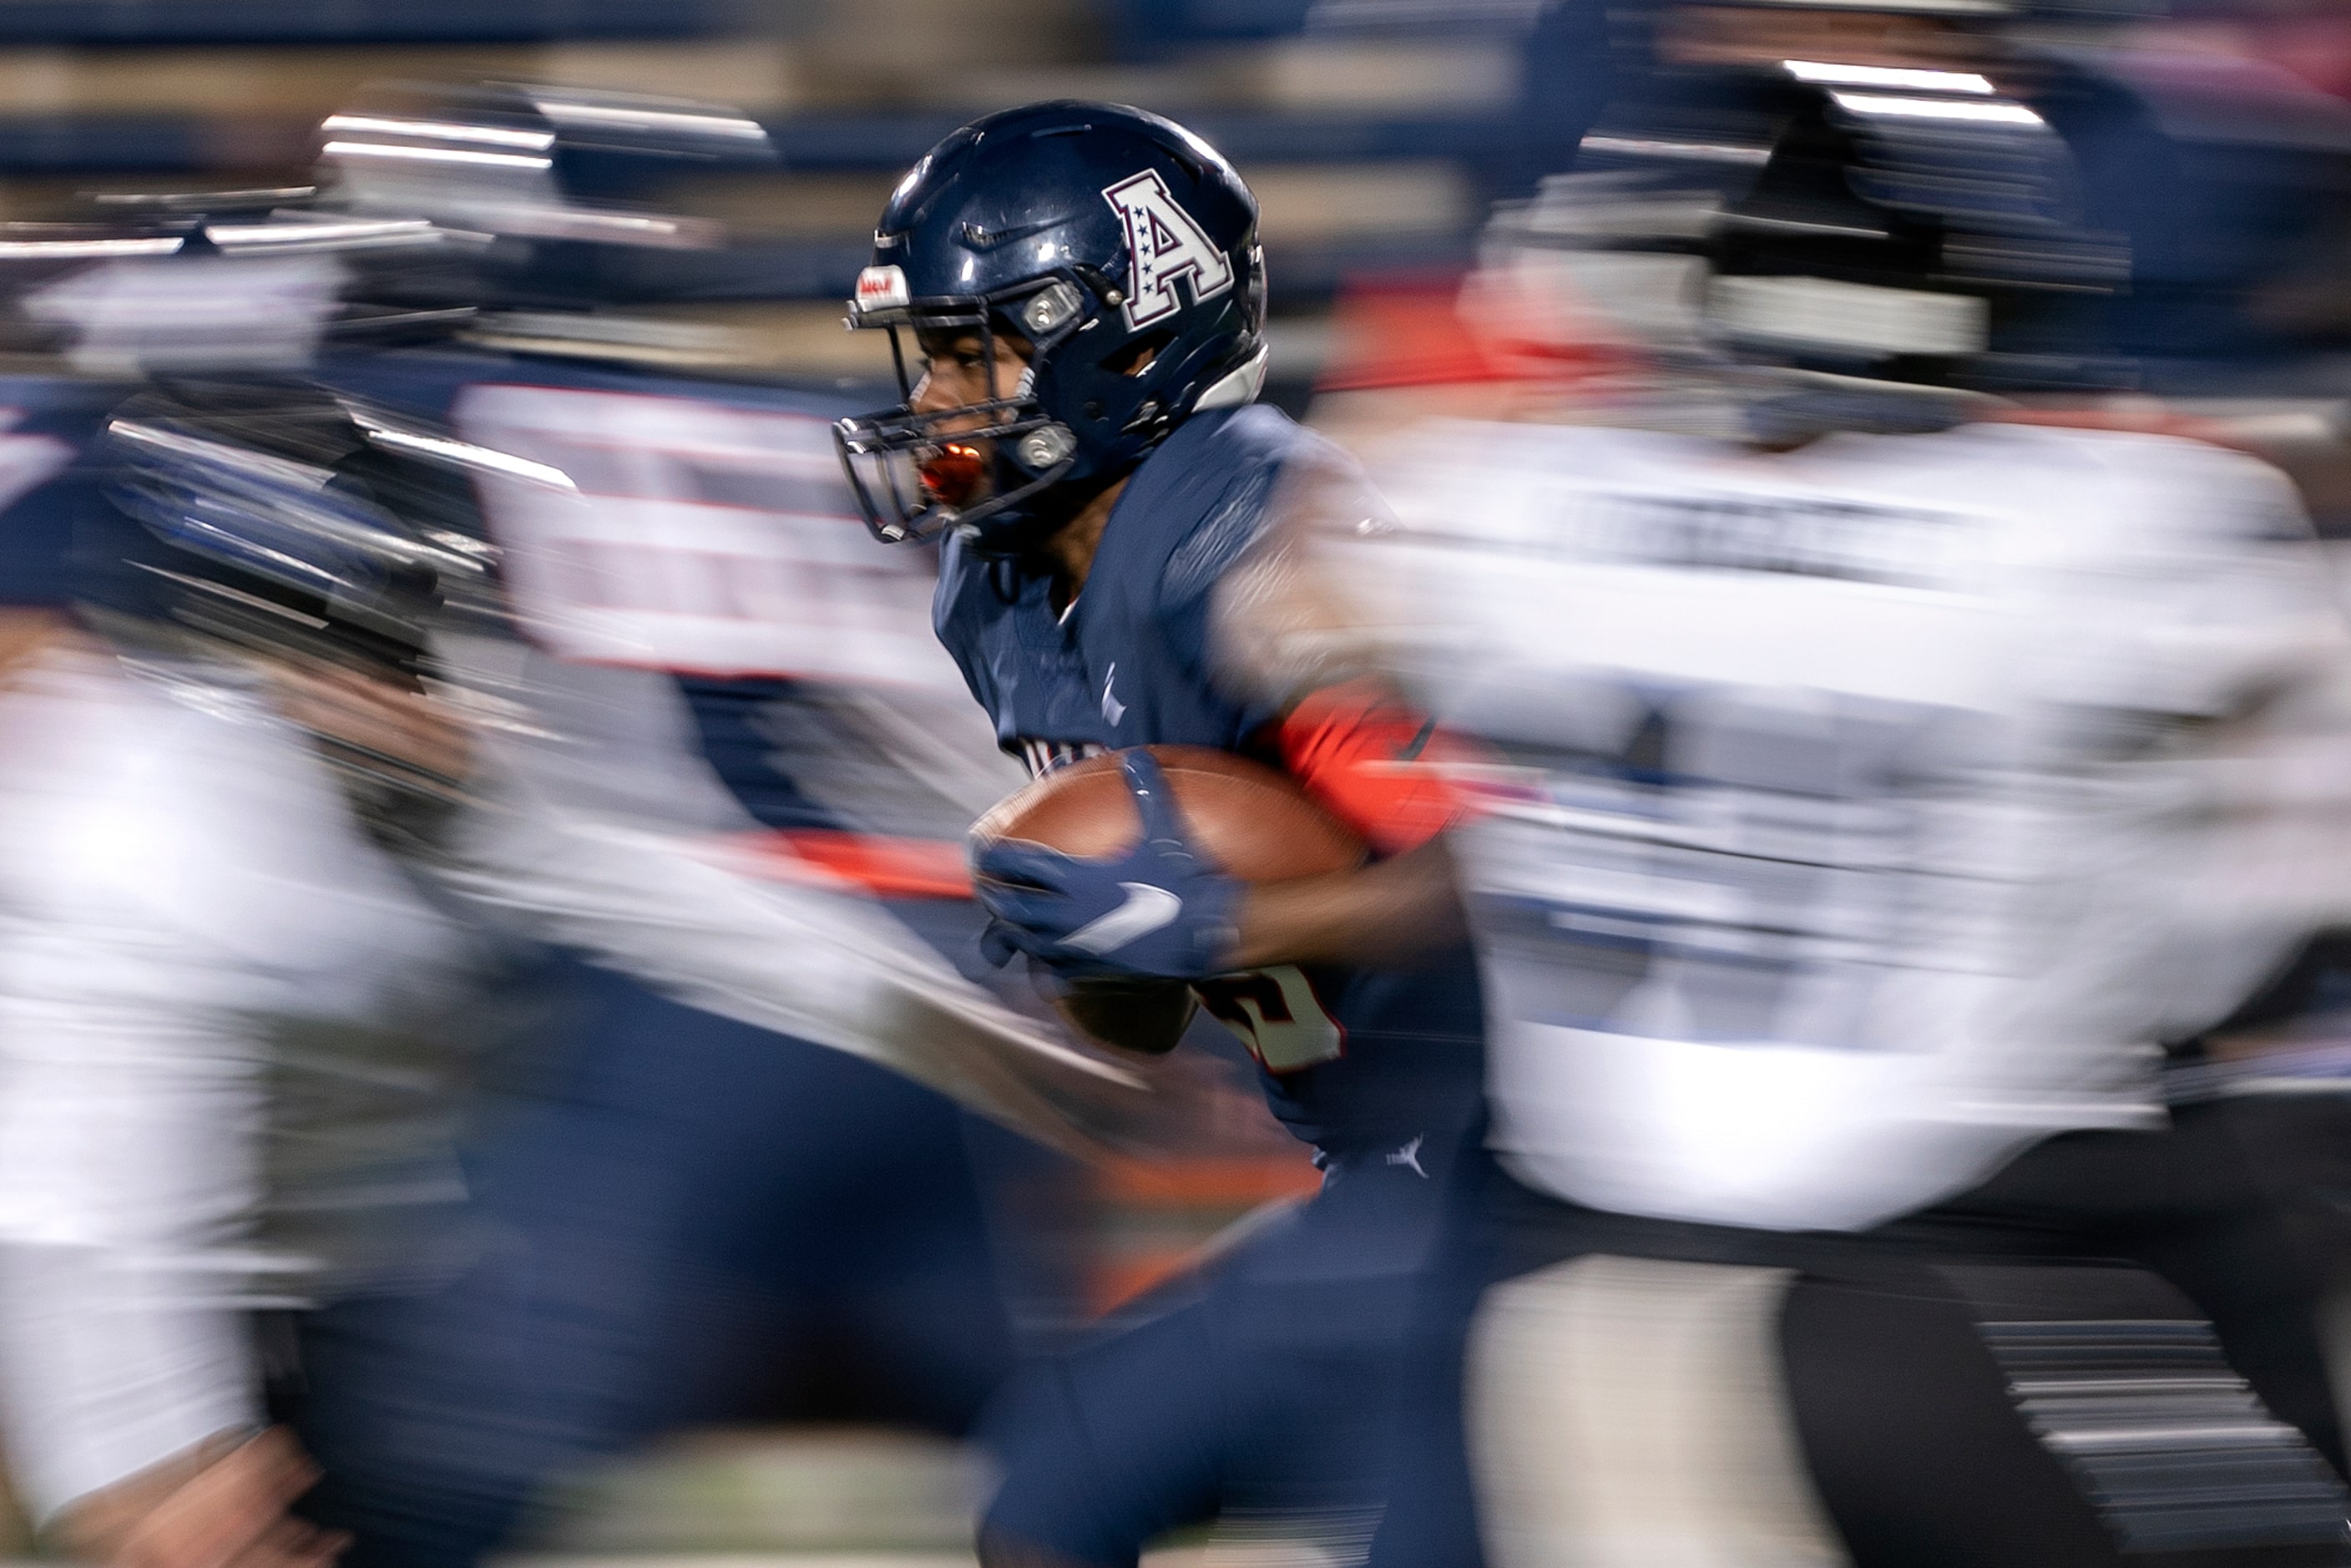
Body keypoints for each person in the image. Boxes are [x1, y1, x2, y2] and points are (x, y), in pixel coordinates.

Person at [1333, 56, 2351, 1568]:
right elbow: (2258, 927)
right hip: (1950, 1294)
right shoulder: (2111, 531)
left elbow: (1302, 612)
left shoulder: (1498, 506)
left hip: (1588, 1319)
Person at [835, 100, 1488, 1567]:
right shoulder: (1002, 589)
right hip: (1374, 1178)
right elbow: (1142, 1001)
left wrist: (1231, 925)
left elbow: (1501, 871)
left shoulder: (1257, 548)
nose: (935, 400)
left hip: (1512, 1178)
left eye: (968, 348)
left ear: (1128, 337)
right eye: (928, 351)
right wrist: (1086, 945)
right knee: (1044, 1501)